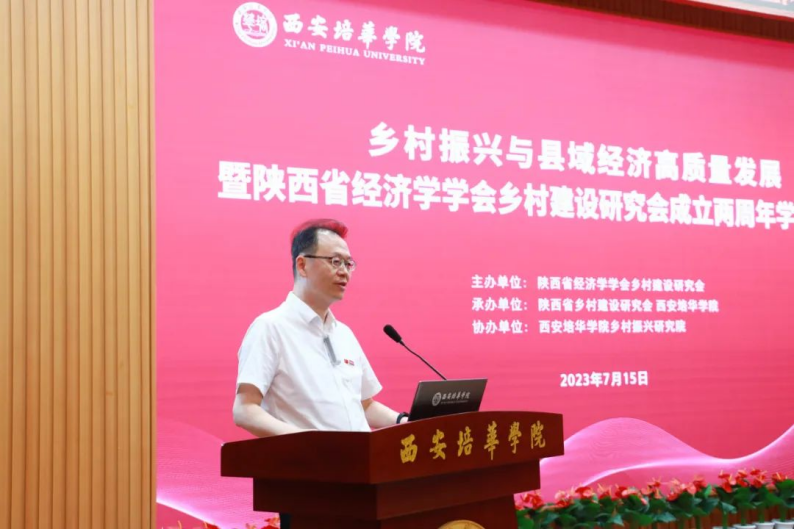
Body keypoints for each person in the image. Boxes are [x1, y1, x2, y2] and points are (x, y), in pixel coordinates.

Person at [233, 218, 408, 434]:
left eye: (348, 264)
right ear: (302, 265)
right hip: (308, 456)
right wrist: (309, 443)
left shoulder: (343, 333)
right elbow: (245, 410)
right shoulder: (270, 328)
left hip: (360, 456)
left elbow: (365, 406)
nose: (344, 271)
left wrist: (403, 421)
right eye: (335, 261)